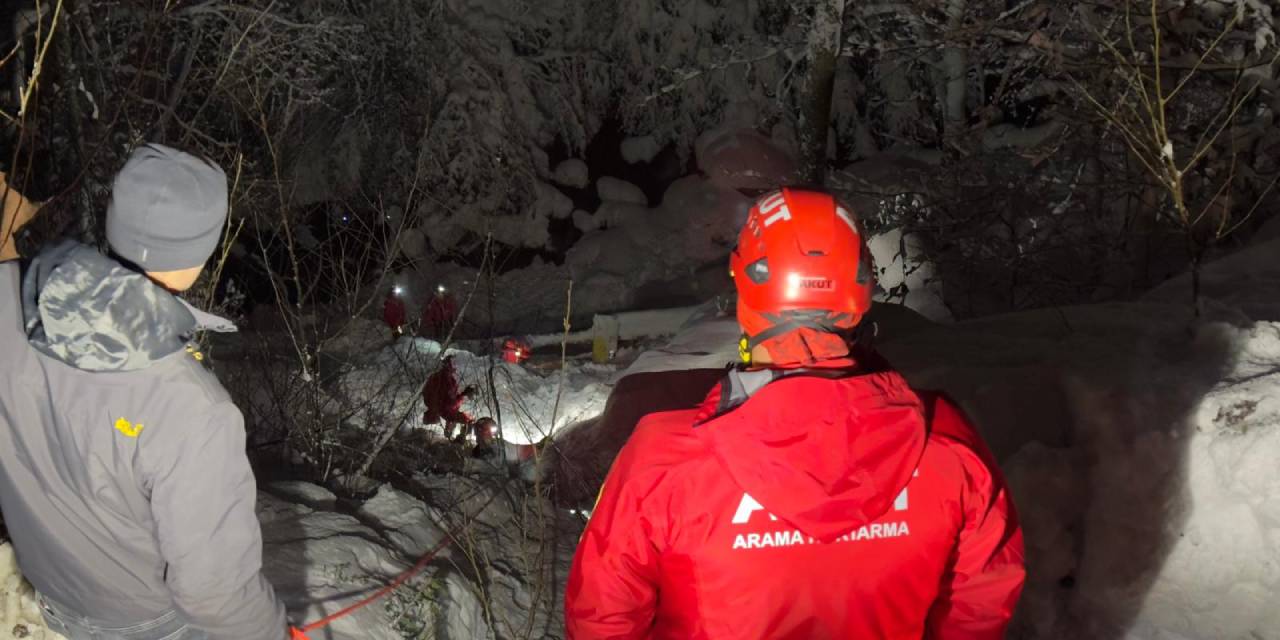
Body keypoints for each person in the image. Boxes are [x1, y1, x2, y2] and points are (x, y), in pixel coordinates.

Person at [565, 188, 1025, 639]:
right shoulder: (946, 442)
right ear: (860, 292)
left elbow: (601, 619)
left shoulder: (663, 461)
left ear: (745, 288)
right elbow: (983, 599)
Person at [0, 144, 289, 640]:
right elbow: (216, 595)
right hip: (143, 626)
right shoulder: (194, 409)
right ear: (203, 253)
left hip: (53, 596)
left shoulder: (10, 300)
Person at [422, 355, 473, 442]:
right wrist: (463, 395)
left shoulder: (448, 380)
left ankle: (455, 437)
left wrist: (462, 395)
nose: (455, 367)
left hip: (443, 410)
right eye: (453, 364)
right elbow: (449, 404)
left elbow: (452, 402)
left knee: (466, 419)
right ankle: (455, 441)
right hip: (440, 411)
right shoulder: (443, 380)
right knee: (466, 420)